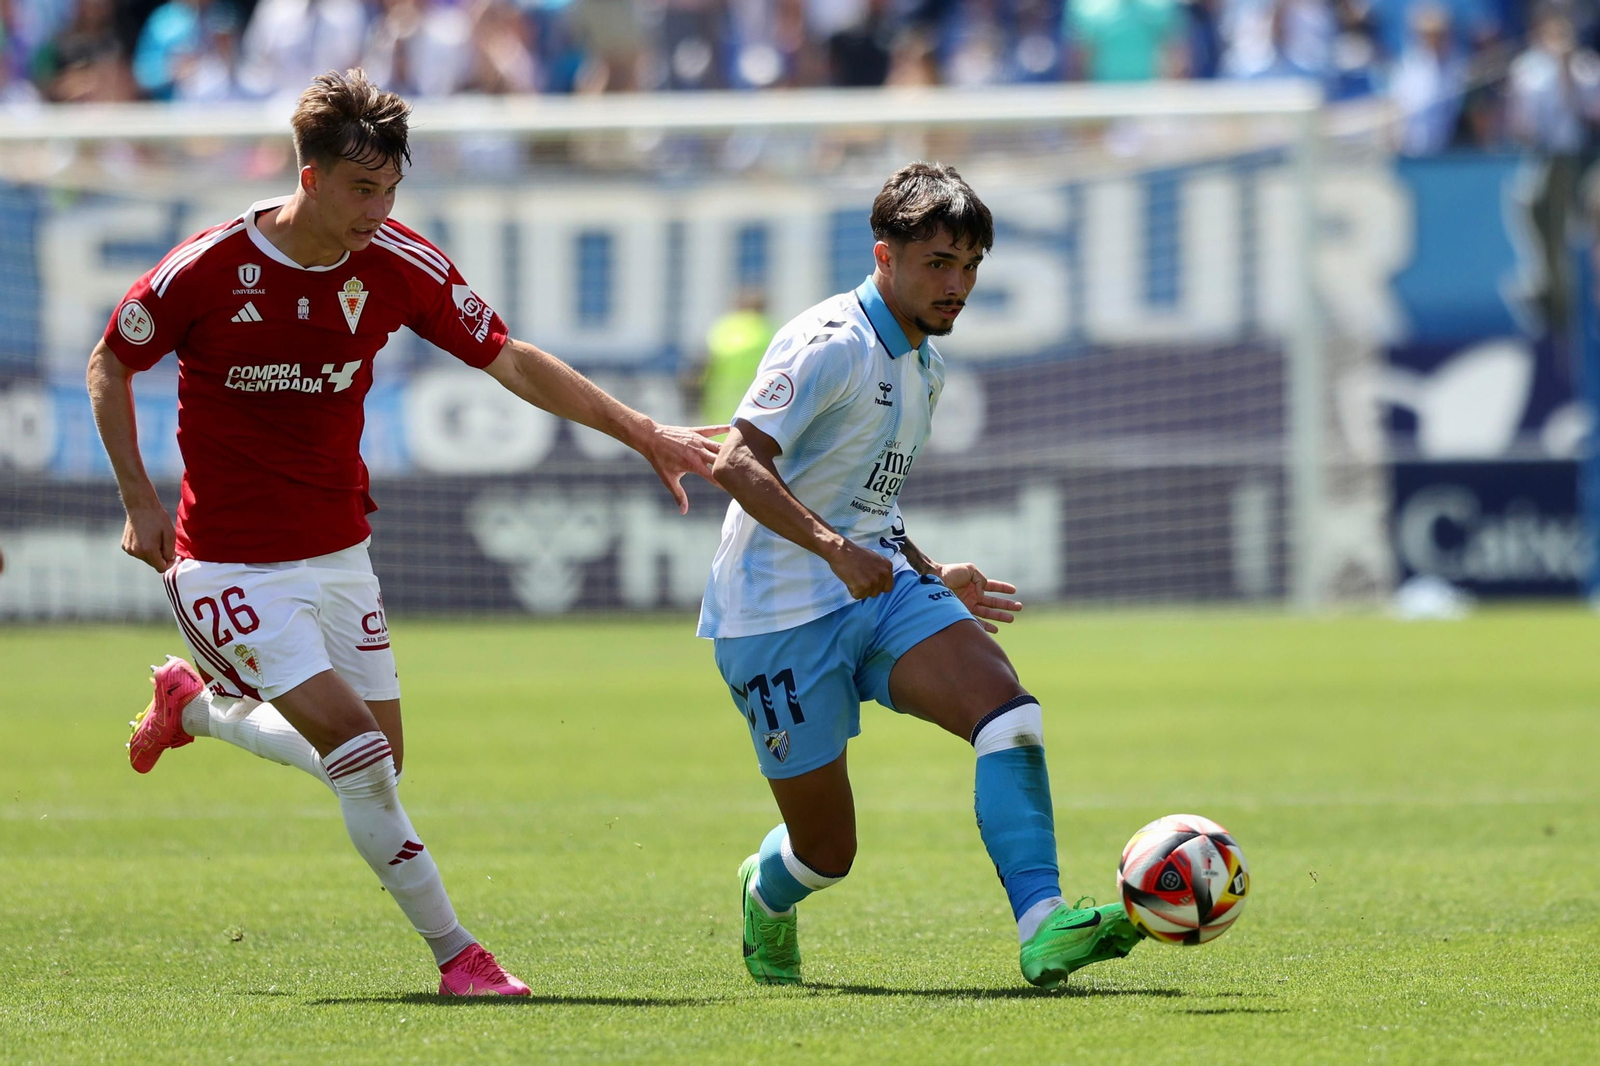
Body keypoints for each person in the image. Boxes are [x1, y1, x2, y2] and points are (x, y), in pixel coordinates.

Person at [88, 68, 723, 997]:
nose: (377, 211)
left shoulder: (397, 262)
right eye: (359, 191)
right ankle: (460, 955)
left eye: (389, 190)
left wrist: (644, 432)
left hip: (340, 552)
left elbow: (510, 359)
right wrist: (140, 501)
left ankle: (196, 711)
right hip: (224, 561)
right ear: (308, 177)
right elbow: (111, 358)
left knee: (378, 765)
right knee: (360, 759)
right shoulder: (209, 268)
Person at [699, 162, 1142, 988]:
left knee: (1007, 713)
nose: (959, 284)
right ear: (884, 257)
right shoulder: (830, 343)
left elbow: (871, 500)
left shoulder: (925, 367)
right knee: (827, 856)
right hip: (774, 616)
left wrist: (930, 570)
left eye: (971, 266)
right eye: (940, 263)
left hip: (879, 590)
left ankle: (1045, 927)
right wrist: (832, 548)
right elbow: (735, 462)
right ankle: (766, 895)